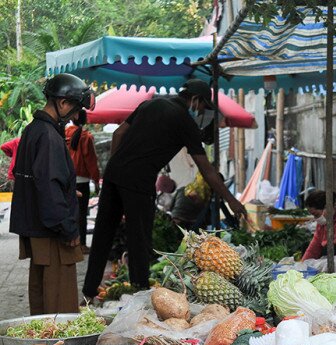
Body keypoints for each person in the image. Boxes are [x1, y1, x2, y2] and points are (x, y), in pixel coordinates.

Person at [82, 78, 248, 301]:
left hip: (114, 174)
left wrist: (117, 166)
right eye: (202, 107)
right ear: (195, 100)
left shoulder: (150, 104)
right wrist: (231, 200)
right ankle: (139, 294)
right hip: (139, 180)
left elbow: (117, 134)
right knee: (139, 239)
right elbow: (207, 171)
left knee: (103, 233)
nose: (201, 114)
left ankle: (88, 292)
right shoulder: (184, 122)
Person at [10, 73, 94, 315]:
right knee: (60, 302)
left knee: (42, 294)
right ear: (63, 103)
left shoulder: (33, 130)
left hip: (38, 226)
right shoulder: (48, 136)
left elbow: (39, 180)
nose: (76, 116)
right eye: (76, 109)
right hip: (52, 231)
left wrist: (68, 192)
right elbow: (48, 186)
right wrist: (68, 228)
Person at [64, 114, 100, 254]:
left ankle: (69, 242)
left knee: (69, 212)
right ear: (86, 120)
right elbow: (91, 161)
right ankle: (82, 245)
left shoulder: (64, 134)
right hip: (82, 180)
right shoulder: (86, 137)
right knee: (81, 214)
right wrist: (96, 180)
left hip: (67, 178)